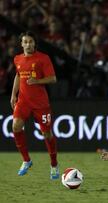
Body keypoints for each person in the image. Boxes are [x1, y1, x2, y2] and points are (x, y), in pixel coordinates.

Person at [10, 31, 59, 179]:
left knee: (47, 134)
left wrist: (37, 81)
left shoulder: (43, 58)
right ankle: (26, 160)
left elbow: (53, 79)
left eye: (30, 41)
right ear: (21, 44)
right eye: (25, 42)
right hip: (23, 101)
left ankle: (54, 165)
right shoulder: (17, 59)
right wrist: (13, 94)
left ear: (34, 43)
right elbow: (18, 76)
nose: (28, 44)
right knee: (16, 126)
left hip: (40, 103)